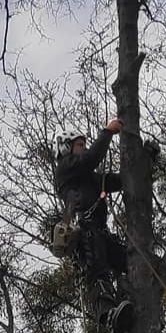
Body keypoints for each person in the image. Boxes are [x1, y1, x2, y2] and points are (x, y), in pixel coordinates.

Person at [53, 118, 131, 320]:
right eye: (79, 145)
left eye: (84, 145)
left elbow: (117, 181)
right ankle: (107, 315)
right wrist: (107, 132)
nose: (84, 148)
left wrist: (145, 161)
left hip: (100, 231)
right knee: (97, 271)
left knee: (128, 260)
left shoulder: (88, 177)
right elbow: (91, 158)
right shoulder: (65, 168)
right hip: (86, 231)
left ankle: (130, 297)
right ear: (65, 148)